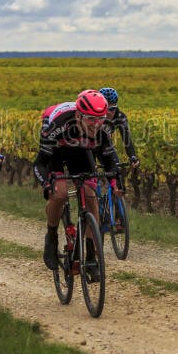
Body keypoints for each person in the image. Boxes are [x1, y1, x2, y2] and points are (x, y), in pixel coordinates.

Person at [34, 90, 122, 278]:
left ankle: (90, 257)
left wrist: (115, 182)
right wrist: (47, 185)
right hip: (56, 152)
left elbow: (109, 160)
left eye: (101, 118)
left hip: (81, 152)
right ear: (78, 115)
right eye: (91, 119)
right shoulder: (58, 126)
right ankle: (51, 237)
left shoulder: (102, 129)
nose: (96, 124)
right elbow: (40, 163)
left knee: (91, 197)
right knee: (60, 194)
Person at [97, 87, 140, 169]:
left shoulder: (120, 117)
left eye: (112, 109)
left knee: (116, 171)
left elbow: (127, 140)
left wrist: (133, 157)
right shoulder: (92, 117)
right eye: (104, 108)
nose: (108, 112)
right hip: (88, 145)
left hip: (105, 145)